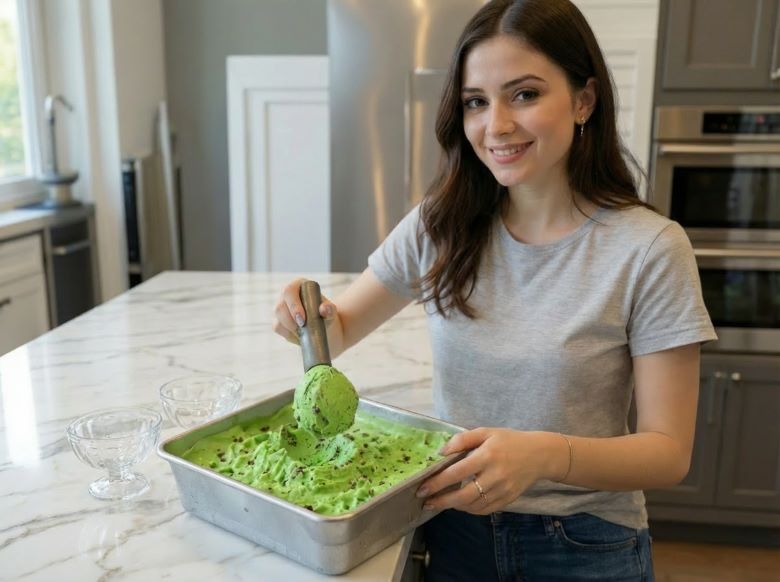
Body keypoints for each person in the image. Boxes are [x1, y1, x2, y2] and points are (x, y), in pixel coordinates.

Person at [272, 0, 716, 579]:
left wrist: (543, 454)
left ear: (584, 100)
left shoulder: (651, 249)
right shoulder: (443, 223)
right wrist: (304, 314)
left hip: (583, 543)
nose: (496, 125)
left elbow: (667, 452)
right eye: (476, 102)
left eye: (525, 94)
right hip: (452, 527)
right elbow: (341, 325)